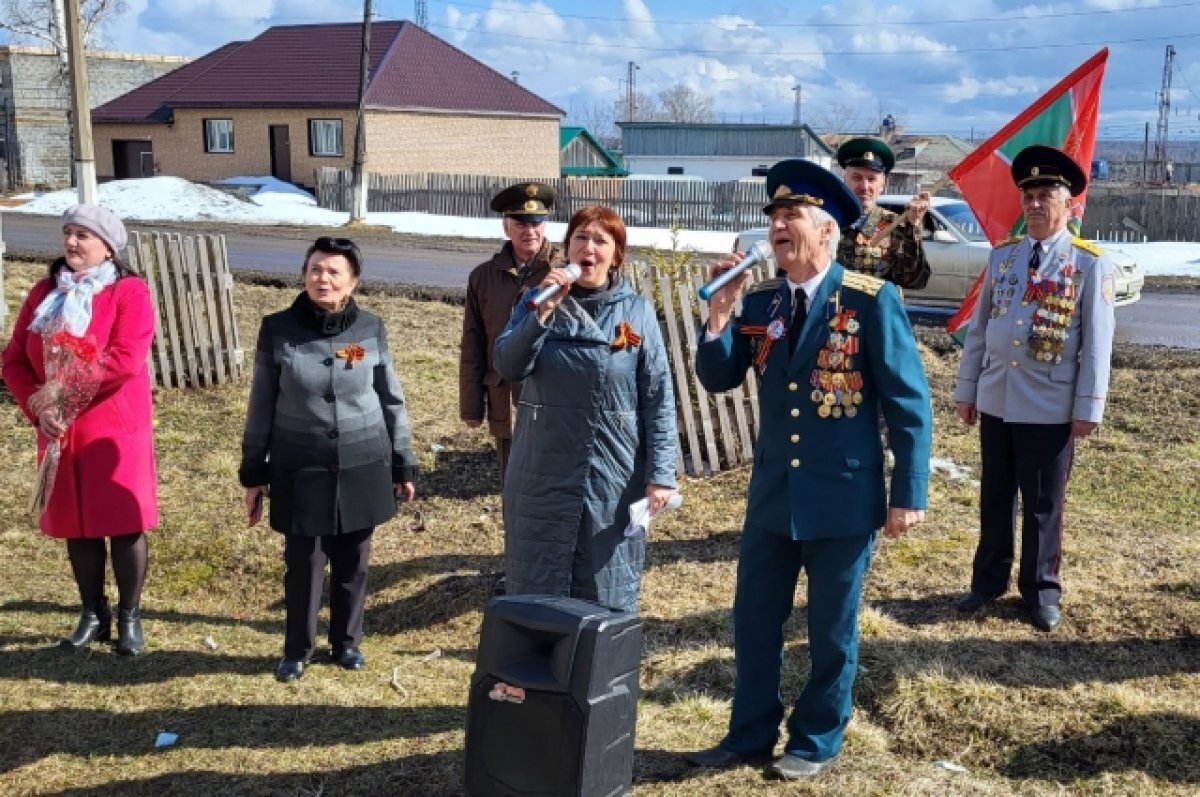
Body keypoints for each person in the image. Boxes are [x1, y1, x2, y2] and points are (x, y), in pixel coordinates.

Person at [686, 160, 932, 780]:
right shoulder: (762, 299)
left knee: (831, 631)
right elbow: (718, 377)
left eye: (791, 216)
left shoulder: (871, 301)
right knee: (754, 622)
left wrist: (909, 493)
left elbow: (909, 404)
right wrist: (718, 319)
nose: (778, 227)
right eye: (772, 217)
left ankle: (816, 739)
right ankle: (747, 736)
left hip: (844, 498)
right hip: (774, 494)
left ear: (827, 231)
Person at [953, 145, 1116, 633]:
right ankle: (987, 582)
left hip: (1049, 403)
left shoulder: (1088, 264)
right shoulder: (1004, 257)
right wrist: (967, 390)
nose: (1036, 204)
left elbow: (1096, 344)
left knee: (1044, 503)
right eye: (1029, 196)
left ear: (1069, 204)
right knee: (995, 495)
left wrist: (1089, 406)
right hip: (998, 397)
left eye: (1047, 195)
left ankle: (1042, 589)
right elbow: (980, 330)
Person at [239, 236, 418, 683]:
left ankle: (346, 643)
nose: (323, 278)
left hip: (363, 459)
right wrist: (253, 470)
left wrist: (403, 462)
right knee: (305, 560)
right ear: (304, 274)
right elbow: (261, 402)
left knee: (354, 559)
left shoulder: (370, 329)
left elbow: (389, 397)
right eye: (316, 268)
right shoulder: (278, 329)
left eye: (334, 271)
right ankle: (297, 649)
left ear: (352, 282)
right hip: (300, 463)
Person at [493, 205, 678, 613]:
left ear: (616, 255)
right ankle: (532, 673)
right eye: (580, 238)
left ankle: (595, 671)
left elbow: (659, 397)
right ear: (566, 248)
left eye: (600, 241)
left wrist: (661, 474)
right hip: (542, 469)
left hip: (611, 471)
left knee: (603, 584)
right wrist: (541, 313)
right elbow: (507, 364)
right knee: (537, 582)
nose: (588, 248)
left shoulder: (637, 312)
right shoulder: (535, 300)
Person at [2, 203, 158, 656]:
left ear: (107, 247)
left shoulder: (128, 292)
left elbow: (125, 358)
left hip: (114, 428)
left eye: (83, 235)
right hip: (58, 428)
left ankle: (130, 615)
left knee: (124, 524)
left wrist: (64, 392)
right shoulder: (43, 292)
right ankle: (93, 611)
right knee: (78, 525)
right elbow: (13, 357)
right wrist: (39, 407)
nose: (72, 242)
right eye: (68, 232)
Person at [459, 181, 565, 483]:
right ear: (506, 227)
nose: (529, 230)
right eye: (521, 223)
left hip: (552, 392)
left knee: (554, 481)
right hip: (505, 394)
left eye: (536, 223)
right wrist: (471, 406)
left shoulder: (564, 271)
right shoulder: (483, 277)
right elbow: (473, 342)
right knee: (513, 482)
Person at [835, 137, 931, 290]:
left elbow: (914, 281)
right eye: (856, 177)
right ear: (844, 179)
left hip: (875, 312)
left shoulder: (895, 225)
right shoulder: (828, 221)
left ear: (883, 184)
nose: (864, 186)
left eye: (871, 179)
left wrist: (914, 226)